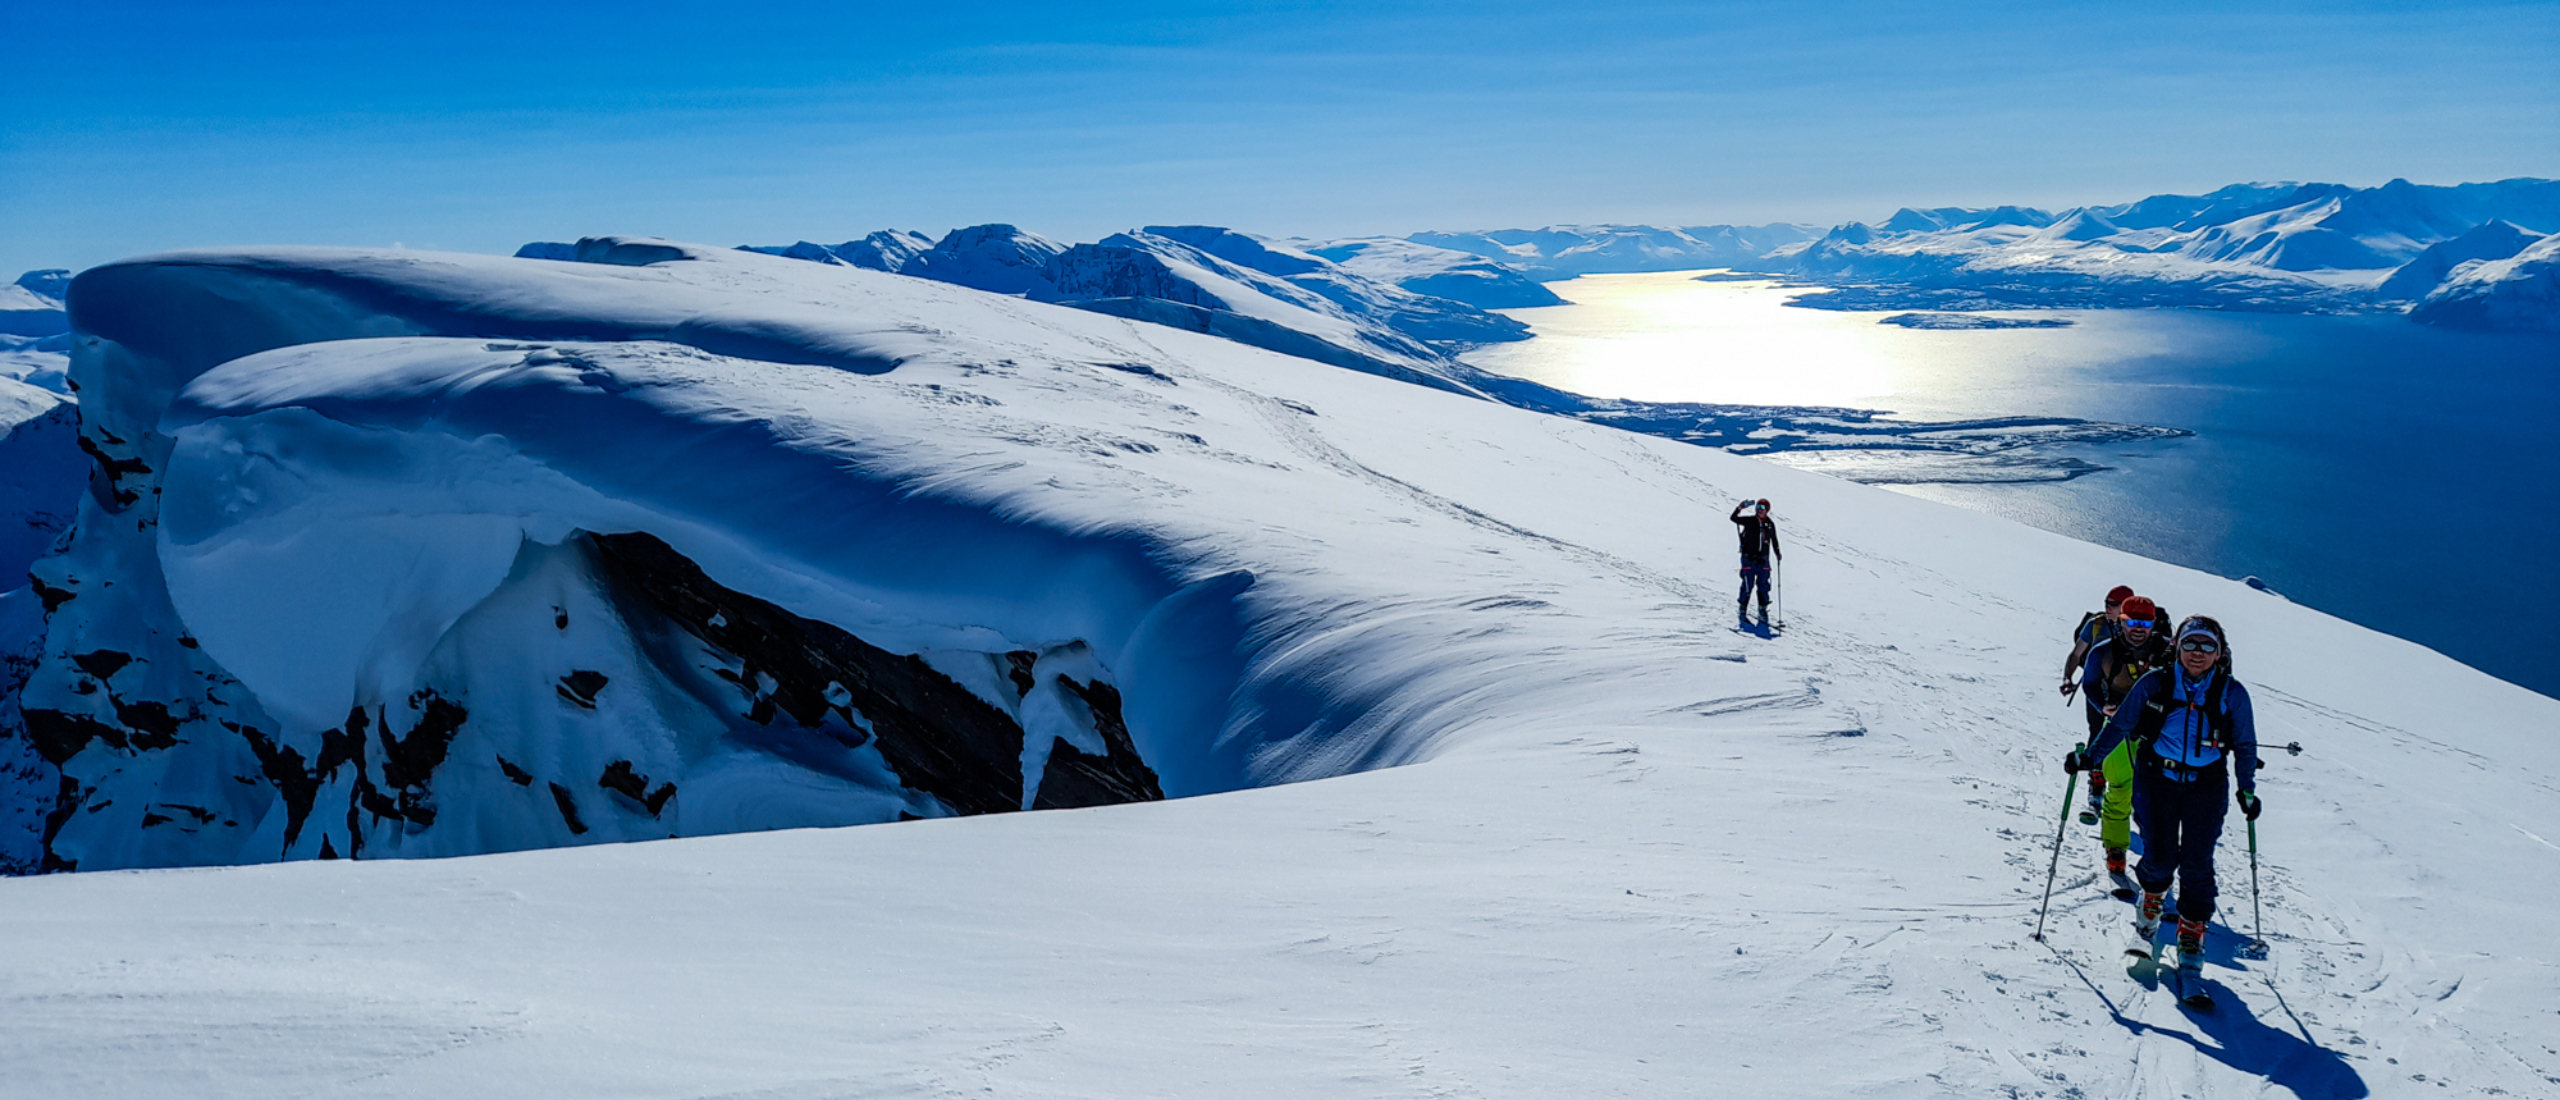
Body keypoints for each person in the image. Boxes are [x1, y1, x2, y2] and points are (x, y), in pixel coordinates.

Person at [2066, 615, 2260, 980]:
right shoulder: (2155, 683)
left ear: (2220, 653)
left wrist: (2246, 788)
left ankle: (2191, 935)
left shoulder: (2232, 693)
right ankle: (2149, 914)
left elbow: (2246, 744)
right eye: (2190, 644)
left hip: (2207, 784)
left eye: (2206, 646)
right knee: (2159, 855)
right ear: (2177, 648)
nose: (2197, 653)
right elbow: (2121, 724)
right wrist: (2091, 757)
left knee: (2197, 862)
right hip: (2157, 778)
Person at [2077, 594, 2175, 877]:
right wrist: (2102, 707)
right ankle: (2116, 848)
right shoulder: (2103, 652)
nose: (2138, 627)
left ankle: (2147, 858)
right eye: (2132, 621)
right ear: (2120, 621)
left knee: (2153, 795)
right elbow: (2090, 684)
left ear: (2153, 623)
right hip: (2120, 728)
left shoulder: (2168, 652)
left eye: (2145, 622)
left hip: (2157, 732)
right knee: (2120, 787)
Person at [2061, 585, 2135, 701]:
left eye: (2114, 605)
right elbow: (2076, 654)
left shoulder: (2138, 629)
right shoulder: (2096, 624)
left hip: (2128, 692)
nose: (2108, 607)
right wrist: (2067, 678)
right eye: (2107, 603)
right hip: (2097, 690)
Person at [1730, 498, 1781, 621]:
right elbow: (1734, 518)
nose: (1759, 510)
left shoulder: (1769, 524)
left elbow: (1774, 539)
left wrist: (1778, 553)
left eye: (1763, 508)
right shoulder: (1750, 521)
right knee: (1748, 584)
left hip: (1763, 559)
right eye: (1758, 507)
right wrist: (1739, 508)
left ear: (1767, 510)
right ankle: (1743, 608)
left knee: (1763, 585)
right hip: (1749, 558)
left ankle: (1762, 610)